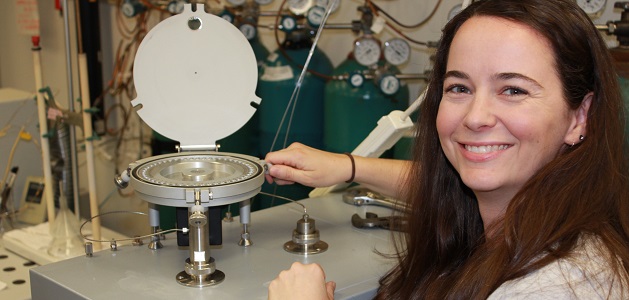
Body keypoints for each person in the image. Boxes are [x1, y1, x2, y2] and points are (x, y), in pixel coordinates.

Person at [265, 0, 629, 298]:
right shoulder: (508, 224)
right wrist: (349, 167)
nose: (476, 117)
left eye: (513, 90)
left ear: (579, 117)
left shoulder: (562, 286)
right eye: (459, 88)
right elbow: (438, 183)